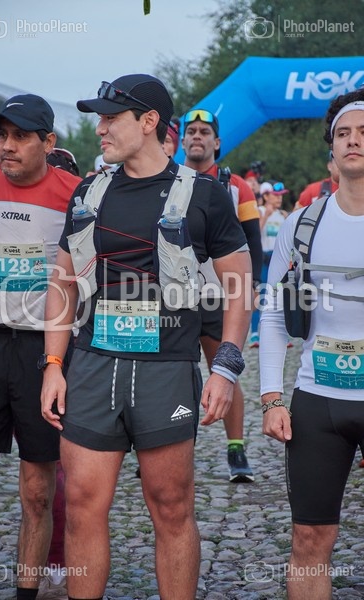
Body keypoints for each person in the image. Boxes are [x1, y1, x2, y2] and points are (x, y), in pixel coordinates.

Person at [40, 73, 252, 600]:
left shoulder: (204, 195)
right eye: (99, 119)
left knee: (171, 508)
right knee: (83, 504)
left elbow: (239, 286)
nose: (101, 128)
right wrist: (52, 366)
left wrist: (225, 368)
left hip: (167, 371)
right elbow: (63, 281)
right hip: (93, 366)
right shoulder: (88, 192)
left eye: (112, 118)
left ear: (149, 121)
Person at [0, 94, 81, 600]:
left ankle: (27, 592)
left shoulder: (75, 194)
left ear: (48, 142)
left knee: (36, 493)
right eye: (2, 136)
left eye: (20, 136)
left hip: (43, 352)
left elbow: (93, 270)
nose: (7, 146)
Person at [259, 88, 364, 600]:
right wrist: (271, 398)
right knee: (309, 539)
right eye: (344, 133)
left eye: (363, 132)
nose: (353, 141)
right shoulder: (301, 223)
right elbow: (274, 313)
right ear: (332, 149)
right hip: (318, 400)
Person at [182, 108, 261, 483]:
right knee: (174, 374)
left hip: (218, 296)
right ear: (183, 140)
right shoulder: (169, 180)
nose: (197, 136)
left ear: (217, 142)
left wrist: (253, 287)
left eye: (204, 132)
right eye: (191, 131)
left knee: (224, 369)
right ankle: (164, 446)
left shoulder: (236, 186)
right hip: (178, 297)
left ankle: (236, 448)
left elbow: (253, 242)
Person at [250, 180, 290, 348]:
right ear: (266, 196)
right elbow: (254, 234)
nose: (279, 198)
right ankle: (254, 334)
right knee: (260, 296)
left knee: (279, 297)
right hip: (263, 259)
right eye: (276, 195)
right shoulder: (259, 211)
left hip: (278, 259)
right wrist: (265, 215)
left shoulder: (283, 215)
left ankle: (282, 334)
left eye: (281, 195)